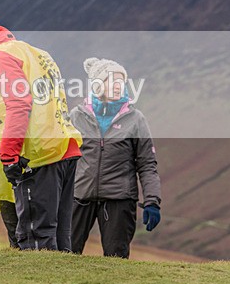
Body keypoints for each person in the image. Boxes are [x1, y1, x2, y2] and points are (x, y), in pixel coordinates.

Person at [0, 15, 82, 251]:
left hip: (36, 154)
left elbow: (19, 103)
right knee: (60, 236)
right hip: (63, 147)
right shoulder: (31, 51)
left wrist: (10, 155)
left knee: (36, 237)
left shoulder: (0, 58)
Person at [69, 58, 161, 258]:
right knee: (65, 256)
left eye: (121, 81)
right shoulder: (76, 116)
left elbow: (147, 165)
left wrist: (152, 201)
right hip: (79, 196)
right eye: (112, 81)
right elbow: (62, 159)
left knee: (116, 260)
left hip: (119, 200)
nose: (118, 86)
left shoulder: (135, 119)